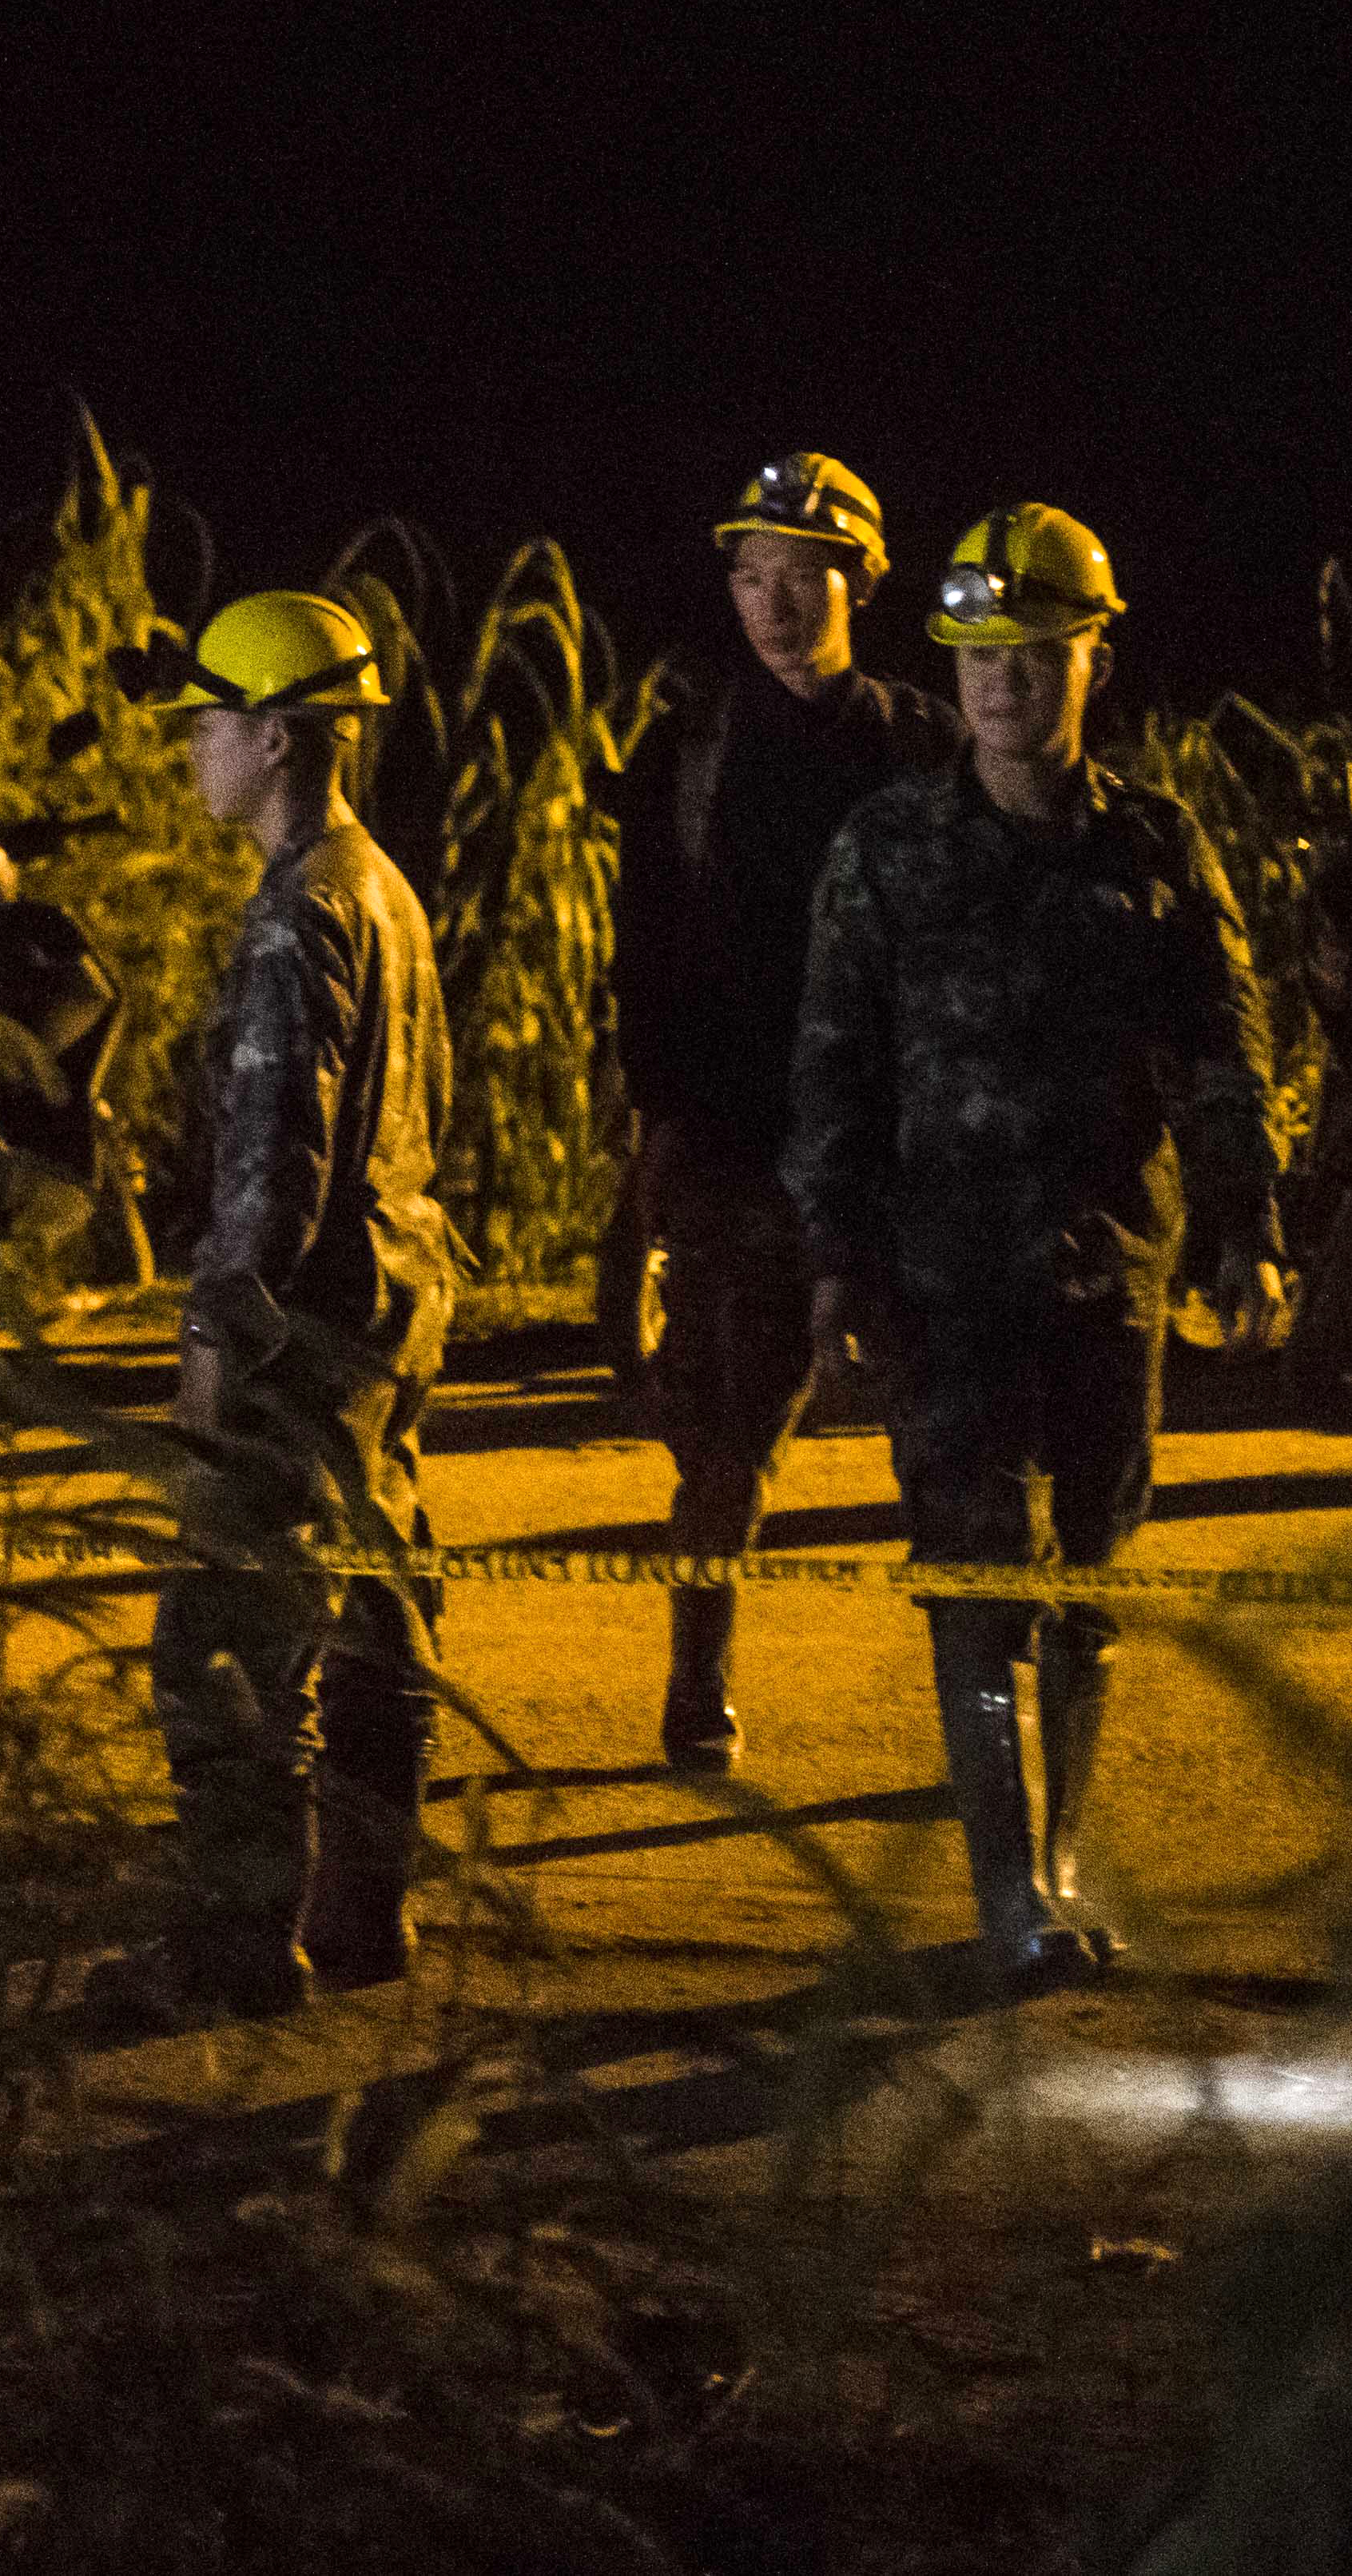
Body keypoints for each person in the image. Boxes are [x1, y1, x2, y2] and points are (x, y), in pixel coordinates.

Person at [785, 504, 1282, 1997]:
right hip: (944, 1277)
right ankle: (1013, 1894)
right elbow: (833, 1063)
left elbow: (1223, 1043)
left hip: (1108, 1268)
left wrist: (1246, 1223)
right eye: (979, 652)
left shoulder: (1153, 840)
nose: (1001, 679)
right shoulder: (886, 846)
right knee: (970, 1573)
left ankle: (1060, 1861)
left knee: (1094, 1574)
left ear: (1094, 661)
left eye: (1036, 649)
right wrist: (836, 1261)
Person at [128, 588, 466, 2010]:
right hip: (393, 1302)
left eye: (207, 724)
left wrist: (218, 1337)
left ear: (275, 734)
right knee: (380, 1614)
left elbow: (272, 1158)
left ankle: (233, 1949)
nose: (192, 750)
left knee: (224, 1639)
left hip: (304, 1324)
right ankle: (366, 1916)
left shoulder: (297, 911)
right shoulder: (381, 885)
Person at [605, 452, 948, 1767]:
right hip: (738, 1154)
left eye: (802, 575)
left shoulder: (926, 748)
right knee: (723, 1449)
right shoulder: (688, 755)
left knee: (952, 1457)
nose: (773, 603)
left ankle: (983, 1728)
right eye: (750, 576)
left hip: (903, 1159)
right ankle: (700, 1686)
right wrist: (649, 1151)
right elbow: (644, 965)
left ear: (860, 578)